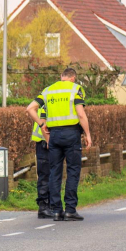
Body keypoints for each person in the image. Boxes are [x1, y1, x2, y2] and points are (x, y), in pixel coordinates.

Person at [35, 67, 91, 221]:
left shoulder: (48, 90)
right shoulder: (76, 89)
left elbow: (31, 108)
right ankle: (70, 210)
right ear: (73, 78)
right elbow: (80, 113)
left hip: (54, 135)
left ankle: (56, 211)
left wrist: (41, 125)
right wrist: (87, 134)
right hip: (71, 134)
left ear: (61, 76)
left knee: (54, 172)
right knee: (73, 170)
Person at [26, 98, 52, 218]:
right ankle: (44, 206)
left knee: (51, 175)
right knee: (45, 175)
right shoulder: (48, 103)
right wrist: (48, 141)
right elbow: (43, 124)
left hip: (47, 141)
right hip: (44, 142)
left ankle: (50, 205)